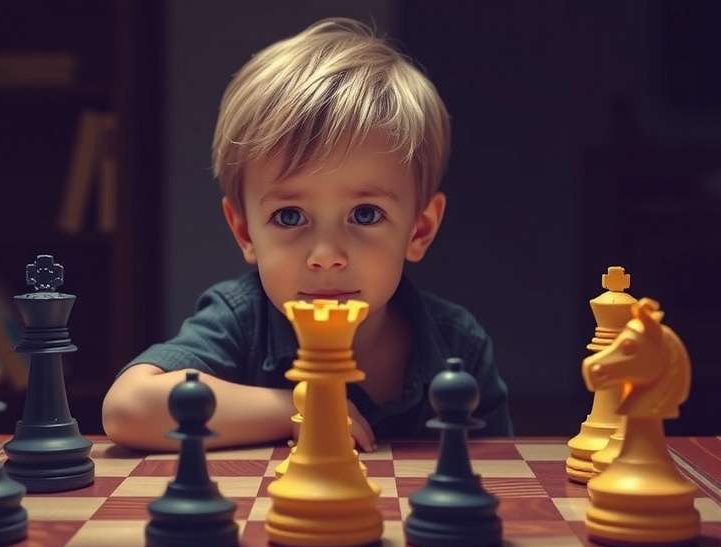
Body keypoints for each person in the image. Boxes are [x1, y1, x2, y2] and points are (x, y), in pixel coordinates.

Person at [102, 17, 512, 452]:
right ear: (244, 231)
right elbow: (127, 408)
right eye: (291, 217)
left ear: (420, 228)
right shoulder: (242, 320)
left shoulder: (458, 343)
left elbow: (501, 474)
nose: (326, 255)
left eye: (366, 214)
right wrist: (298, 408)